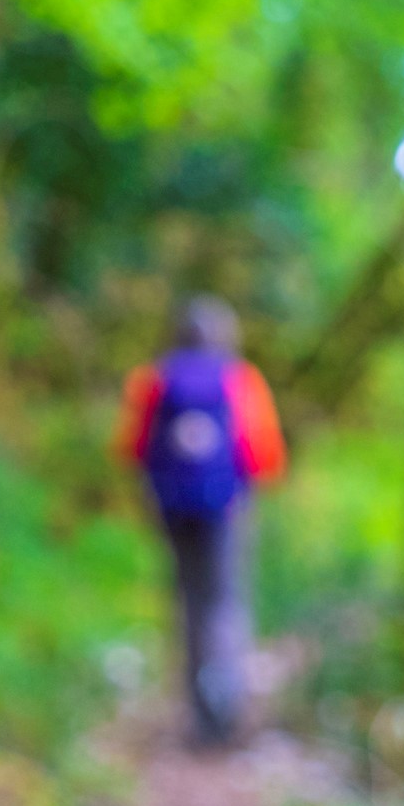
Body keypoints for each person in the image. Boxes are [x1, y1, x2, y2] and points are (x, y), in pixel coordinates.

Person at [113, 296, 286, 747]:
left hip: (172, 508)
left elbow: (130, 447)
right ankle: (226, 709)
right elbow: (265, 456)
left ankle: (197, 712)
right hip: (227, 508)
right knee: (225, 601)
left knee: (188, 601)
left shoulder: (152, 379)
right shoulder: (240, 380)